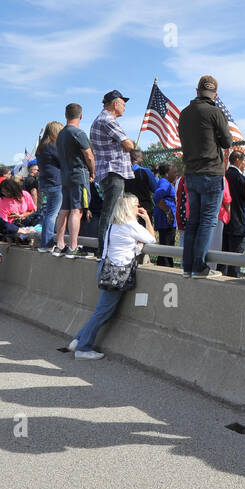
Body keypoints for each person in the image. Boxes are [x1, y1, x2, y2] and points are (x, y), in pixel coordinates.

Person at [67, 194, 156, 360]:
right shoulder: (130, 225)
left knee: (102, 310)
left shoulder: (113, 225)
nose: (139, 209)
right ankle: (83, 348)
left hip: (106, 268)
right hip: (117, 272)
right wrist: (148, 220)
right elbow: (152, 239)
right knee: (103, 312)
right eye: (137, 205)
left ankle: (78, 340)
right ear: (130, 208)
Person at [177, 76, 234, 278]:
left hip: (191, 173)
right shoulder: (215, 111)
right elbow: (227, 142)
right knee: (208, 220)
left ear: (197, 91)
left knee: (193, 220)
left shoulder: (184, 114)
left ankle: (187, 266)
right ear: (215, 95)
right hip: (211, 172)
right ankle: (200, 267)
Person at [91, 90, 135, 249]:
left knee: (110, 212)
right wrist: (129, 143)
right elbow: (129, 144)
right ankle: (104, 251)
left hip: (107, 172)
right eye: (123, 104)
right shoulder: (108, 120)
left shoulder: (100, 120)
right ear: (115, 104)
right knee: (111, 213)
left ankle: (105, 249)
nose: (124, 108)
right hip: (113, 172)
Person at [54, 103, 95, 258]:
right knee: (76, 211)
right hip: (79, 177)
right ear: (81, 116)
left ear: (66, 115)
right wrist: (93, 171)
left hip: (65, 178)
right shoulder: (78, 133)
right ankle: (72, 246)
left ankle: (59, 244)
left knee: (64, 210)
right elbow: (89, 156)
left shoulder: (61, 135)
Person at [35, 122, 63, 251]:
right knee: (52, 214)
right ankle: (47, 244)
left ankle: (45, 243)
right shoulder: (52, 146)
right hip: (55, 183)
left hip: (46, 183)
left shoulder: (41, 148)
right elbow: (64, 160)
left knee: (49, 214)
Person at [220, 150, 245, 276]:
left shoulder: (224, 177)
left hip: (224, 223)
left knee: (223, 259)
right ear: (237, 160)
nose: (244, 165)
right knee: (236, 262)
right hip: (238, 225)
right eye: (243, 162)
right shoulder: (241, 179)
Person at [152, 163, 179, 267]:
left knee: (166, 243)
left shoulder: (165, 182)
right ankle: (166, 267)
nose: (177, 174)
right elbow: (157, 196)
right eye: (174, 172)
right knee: (167, 245)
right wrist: (168, 212)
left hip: (165, 219)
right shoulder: (165, 183)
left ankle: (164, 265)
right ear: (167, 174)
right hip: (165, 220)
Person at [124, 149, 156, 222]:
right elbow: (155, 188)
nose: (142, 160)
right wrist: (156, 175)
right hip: (144, 207)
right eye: (141, 158)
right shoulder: (145, 171)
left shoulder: (125, 173)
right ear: (136, 158)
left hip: (129, 207)